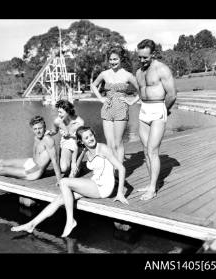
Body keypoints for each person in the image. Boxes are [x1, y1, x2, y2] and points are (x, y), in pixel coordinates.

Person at [11, 126, 128, 237]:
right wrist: (79, 155)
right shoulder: (86, 152)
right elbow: (76, 168)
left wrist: (119, 193)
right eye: (86, 138)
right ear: (82, 142)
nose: (90, 139)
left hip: (103, 187)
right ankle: (31, 224)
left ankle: (70, 220)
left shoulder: (103, 148)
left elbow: (121, 168)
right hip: (94, 184)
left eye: (91, 135)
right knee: (59, 199)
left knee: (64, 182)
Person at [134, 39, 177, 200]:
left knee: (153, 150)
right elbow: (140, 91)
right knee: (146, 151)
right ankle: (153, 183)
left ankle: (152, 189)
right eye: (139, 57)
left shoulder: (162, 69)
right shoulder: (138, 72)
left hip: (158, 108)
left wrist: (163, 111)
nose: (142, 60)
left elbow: (172, 94)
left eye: (145, 57)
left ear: (153, 54)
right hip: (144, 110)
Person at [90, 45, 140, 165]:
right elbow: (93, 85)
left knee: (118, 143)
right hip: (107, 108)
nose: (113, 62)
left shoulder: (127, 75)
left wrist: (132, 101)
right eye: (111, 59)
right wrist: (101, 98)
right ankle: (113, 169)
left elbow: (141, 89)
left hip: (121, 109)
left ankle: (120, 169)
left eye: (115, 59)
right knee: (110, 143)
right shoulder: (104, 74)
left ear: (121, 59)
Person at [46, 99, 84, 176]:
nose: (59, 114)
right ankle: (72, 164)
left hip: (77, 145)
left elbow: (79, 141)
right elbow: (54, 131)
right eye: (58, 112)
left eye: (61, 112)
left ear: (68, 111)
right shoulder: (57, 121)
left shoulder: (79, 122)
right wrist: (48, 133)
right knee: (64, 168)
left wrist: (74, 163)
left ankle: (78, 164)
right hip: (66, 143)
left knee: (73, 174)